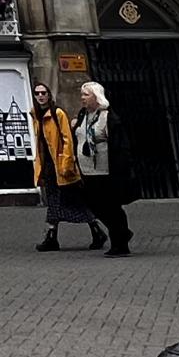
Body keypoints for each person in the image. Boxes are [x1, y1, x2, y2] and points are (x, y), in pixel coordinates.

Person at [30, 82, 105, 251]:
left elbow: (67, 140)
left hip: (61, 166)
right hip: (49, 166)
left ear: (49, 95)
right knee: (54, 202)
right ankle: (52, 237)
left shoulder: (57, 114)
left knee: (73, 200)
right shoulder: (36, 116)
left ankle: (96, 230)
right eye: (37, 93)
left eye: (43, 93)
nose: (40, 96)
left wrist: (66, 163)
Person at [71, 81, 133, 256]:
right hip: (87, 168)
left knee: (111, 205)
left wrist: (121, 168)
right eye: (82, 94)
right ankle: (122, 232)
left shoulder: (108, 117)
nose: (82, 98)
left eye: (86, 95)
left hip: (106, 169)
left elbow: (119, 144)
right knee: (93, 203)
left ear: (96, 97)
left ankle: (119, 243)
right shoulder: (83, 115)